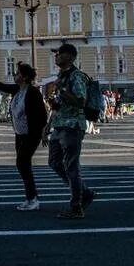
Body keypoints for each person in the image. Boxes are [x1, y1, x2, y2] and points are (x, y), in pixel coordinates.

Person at [0, 63, 49, 211]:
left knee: (22, 163)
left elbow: (42, 114)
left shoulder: (33, 92)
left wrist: (44, 132)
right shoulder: (17, 90)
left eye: (17, 73)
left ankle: (33, 199)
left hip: (31, 134)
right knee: (23, 165)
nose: (14, 75)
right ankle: (30, 197)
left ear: (24, 77)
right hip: (19, 134)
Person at [39, 42, 98, 220]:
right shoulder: (61, 76)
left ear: (70, 57)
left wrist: (62, 91)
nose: (56, 56)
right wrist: (47, 126)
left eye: (59, 53)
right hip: (59, 125)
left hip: (73, 126)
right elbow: (58, 106)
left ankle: (76, 206)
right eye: (56, 53)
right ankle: (84, 192)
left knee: (71, 166)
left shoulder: (76, 76)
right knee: (54, 162)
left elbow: (80, 101)